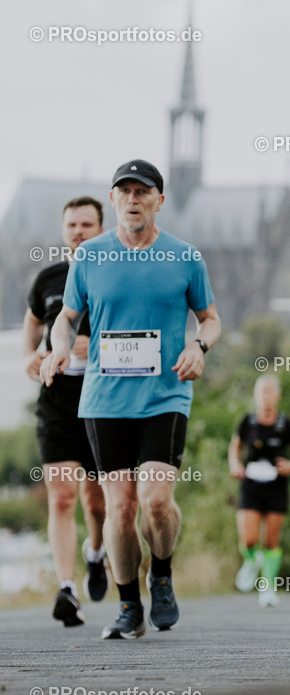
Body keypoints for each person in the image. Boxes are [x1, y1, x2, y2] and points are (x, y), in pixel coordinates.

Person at [41, 159, 220, 640]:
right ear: (113, 199)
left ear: (159, 200)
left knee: (156, 502)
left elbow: (210, 318)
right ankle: (128, 607)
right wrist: (59, 349)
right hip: (105, 399)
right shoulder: (90, 256)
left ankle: (160, 573)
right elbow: (66, 318)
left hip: (165, 395)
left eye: (143, 191)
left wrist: (198, 347)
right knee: (120, 507)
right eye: (125, 191)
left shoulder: (184, 256)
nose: (133, 199)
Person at [23, 196, 108, 627]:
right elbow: (33, 324)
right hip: (57, 397)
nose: (78, 231)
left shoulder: (115, 274)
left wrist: (97, 347)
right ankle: (67, 589)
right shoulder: (49, 278)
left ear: (101, 229)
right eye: (72, 224)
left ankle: (96, 551)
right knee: (61, 495)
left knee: (97, 500)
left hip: (103, 397)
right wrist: (31, 357)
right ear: (63, 230)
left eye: (86, 224)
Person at [228, 375, 290, 607]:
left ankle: (268, 588)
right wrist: (235, 465)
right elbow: (234, 447)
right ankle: (253, 560)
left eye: (270, 391)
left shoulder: (285, 424)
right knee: (249, 539)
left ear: (277, 395)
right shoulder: (247, 422)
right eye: (262, 391)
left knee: (271, 541)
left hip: (277, 487)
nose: (266, 396)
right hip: (251, 485)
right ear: (255, 395)